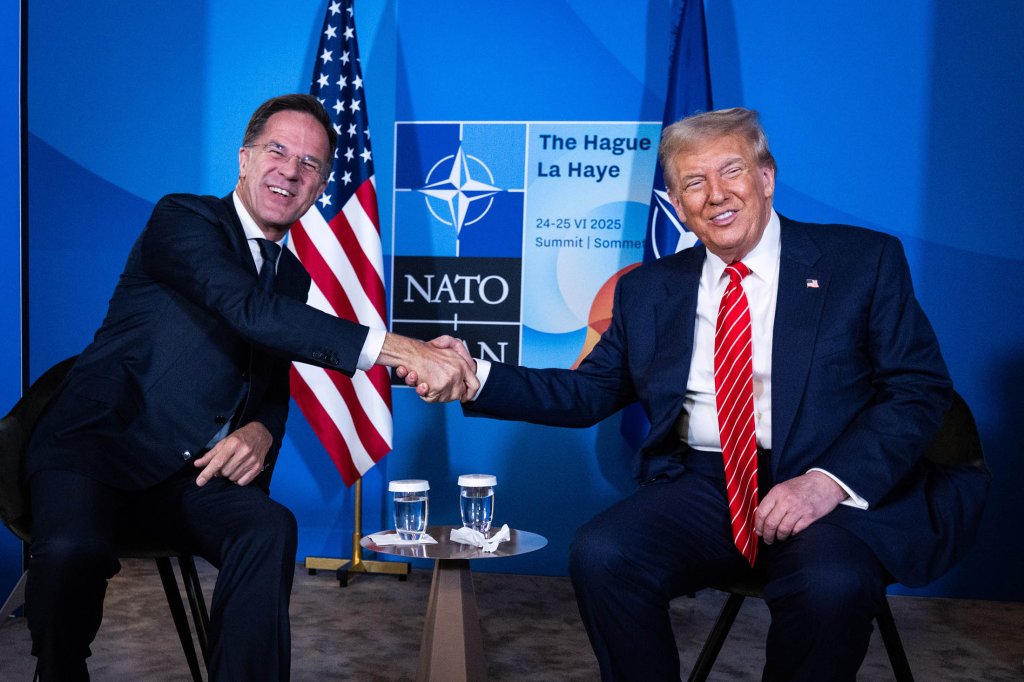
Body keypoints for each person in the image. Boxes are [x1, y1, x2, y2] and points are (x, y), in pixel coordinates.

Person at [401, 108, 988, 681]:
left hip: (825, 478)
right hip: (708, 482)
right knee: (604, 554)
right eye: (694, 183)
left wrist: (826, 483)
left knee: (831, 584)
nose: (716, 195)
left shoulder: (861, 261)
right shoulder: (649, 289)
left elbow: (917, 389)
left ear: (766, 178)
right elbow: (588, 392)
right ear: (678, 206)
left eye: (732, 171)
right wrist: (474, 376)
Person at [24, 94, 477, 681]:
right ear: (244, 159)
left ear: (320, 188)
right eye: (277, 150)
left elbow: (269, 380)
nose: (291, 170)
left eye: (310, 164)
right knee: (70, 551)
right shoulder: (182, 219)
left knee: (268, 527)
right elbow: (249, 311)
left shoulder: (291, 276)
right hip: (94, 453)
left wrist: (262, 428)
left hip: (184, 477)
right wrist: (404, 350)